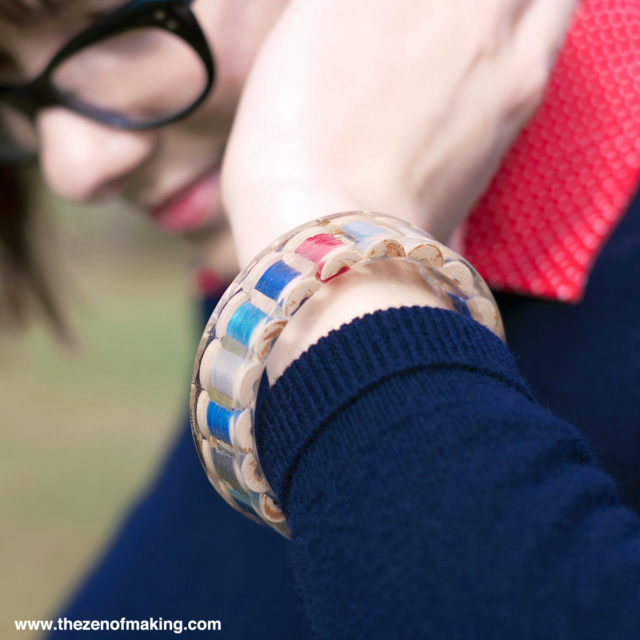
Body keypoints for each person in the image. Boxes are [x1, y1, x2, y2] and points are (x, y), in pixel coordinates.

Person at [1, 0, 639, 637]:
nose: (72, 167)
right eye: (6, 74)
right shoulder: (246, 276)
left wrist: (333, 255)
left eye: (119, 27)